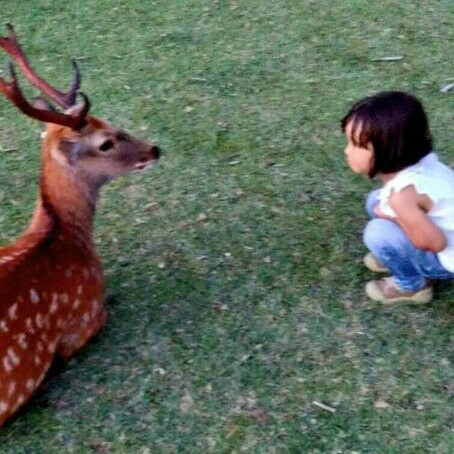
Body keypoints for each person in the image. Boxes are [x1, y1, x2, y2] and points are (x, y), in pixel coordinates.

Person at [341, 91, 454, 304]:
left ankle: (412, 286)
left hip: (446, 260)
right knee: (375, 200)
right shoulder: (422, 164)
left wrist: (396, 217)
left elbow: (435, 243)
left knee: (378, 233)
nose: (347, 151)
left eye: (357, 145)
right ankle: (397, 256)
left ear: (388, 150)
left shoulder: (402, 196)